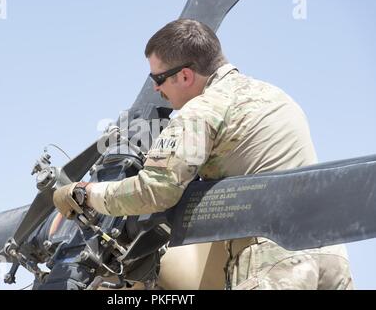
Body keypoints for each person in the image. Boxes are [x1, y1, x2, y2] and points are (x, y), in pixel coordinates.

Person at [53, 19, 354, 290]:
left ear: (184, 76)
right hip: (330, 255)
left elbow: (156, 191)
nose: (157, 90)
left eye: (157, 79)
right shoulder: (273, 95)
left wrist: (85, 194)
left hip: (273, 260)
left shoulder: (202, 111)